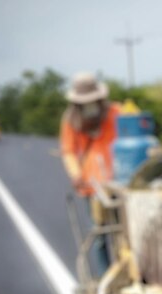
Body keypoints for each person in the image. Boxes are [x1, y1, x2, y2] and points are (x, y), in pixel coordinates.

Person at [60, 72, 120, 274]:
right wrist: (75, 173)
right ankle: (107, 277)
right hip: (92, 186)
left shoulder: (115, 113)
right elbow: (68, 150)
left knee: (127, 230)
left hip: (119, 182)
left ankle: (131, 272)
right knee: (101, 234)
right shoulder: (71, 120)